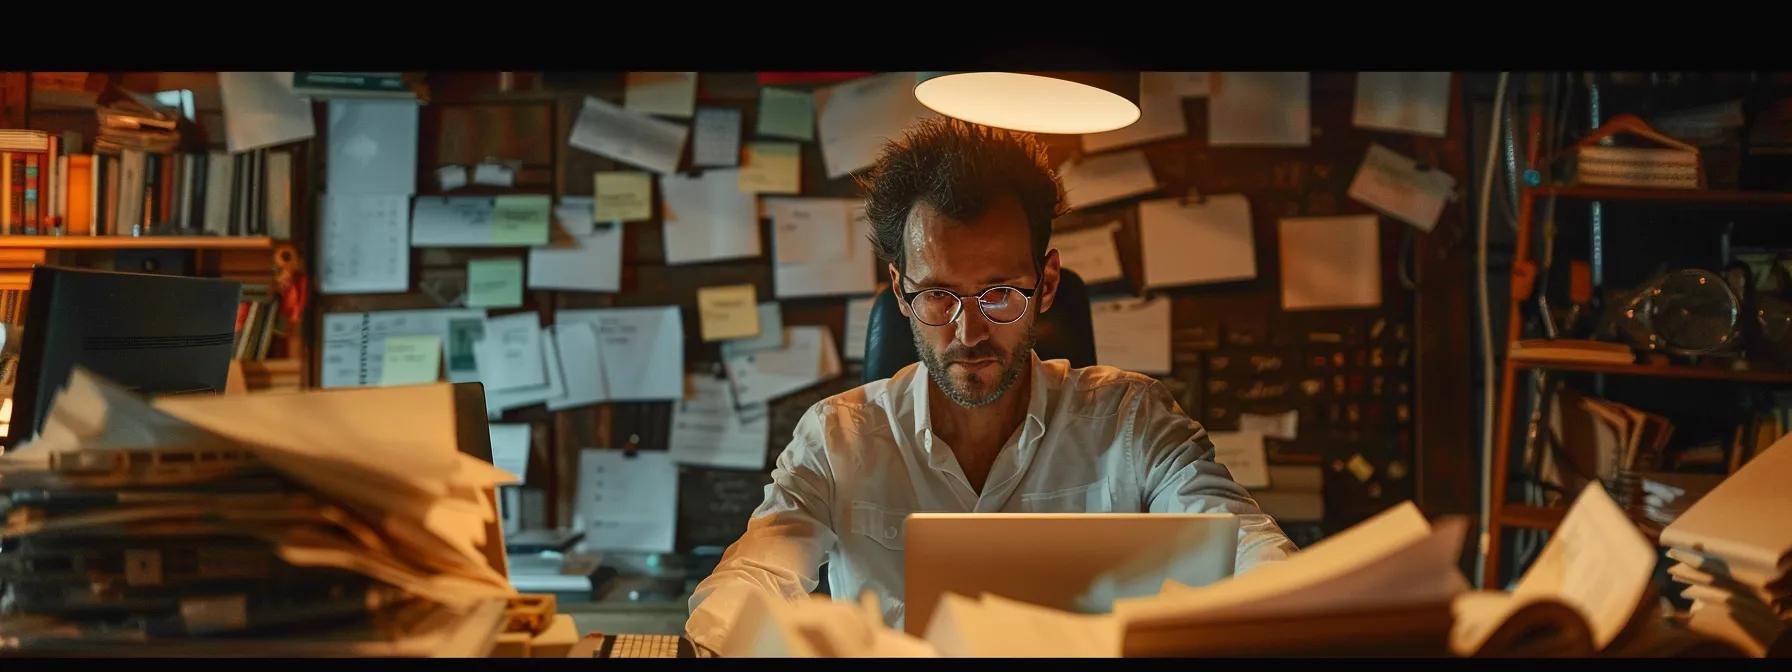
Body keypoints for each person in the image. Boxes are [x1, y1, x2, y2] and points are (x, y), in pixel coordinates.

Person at [686, 118, 1297, 652]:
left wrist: (1278, 611)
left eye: (1000, 294)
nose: (969, 331)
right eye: (938, 295)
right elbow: (756, 575)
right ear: (900, 290)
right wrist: (728, 642)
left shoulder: (1131, 419)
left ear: (1047, 283)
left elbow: (1244, 544)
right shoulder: (837, 436)